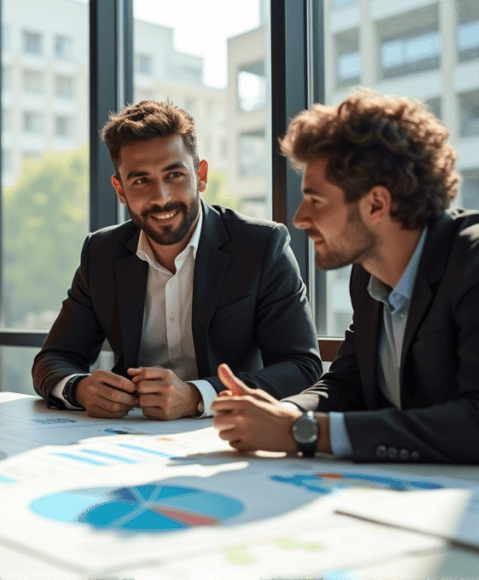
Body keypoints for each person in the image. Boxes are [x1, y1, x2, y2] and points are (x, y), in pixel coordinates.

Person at [212, 90, 479, 464]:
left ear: (376, 203)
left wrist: (304, 432)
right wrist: (284, 414)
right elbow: (347, 382)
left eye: (316, 200)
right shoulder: (367, 274)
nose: (299, 219)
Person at [32, 100, 321, 420]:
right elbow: (54, 358)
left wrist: (199, 395)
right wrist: (80, 388)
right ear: (120, 190)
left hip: (227, 433)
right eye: (141, 181)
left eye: (174, 175)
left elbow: (301, 367)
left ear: (201, 175)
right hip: (124, 435)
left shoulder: (260, 246)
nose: (162, 197)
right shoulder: (101, 252)